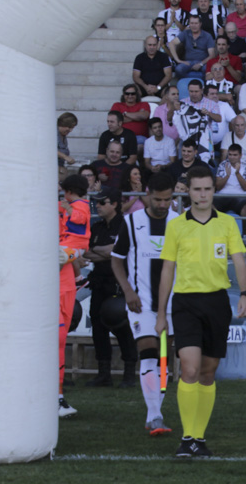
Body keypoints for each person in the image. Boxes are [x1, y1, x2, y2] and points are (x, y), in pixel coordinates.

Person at [155, 165, 246, 458]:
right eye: (197, 189)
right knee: (190, 369)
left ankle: (199, 436)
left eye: (208, 188)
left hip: (217, 303)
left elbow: (239, 262)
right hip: (185, 303)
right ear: (188, 191)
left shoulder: (227, 223)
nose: (203, 194)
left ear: (213, 190)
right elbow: (167, 270)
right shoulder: (176, 225)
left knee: (208, 373)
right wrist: (161, 313)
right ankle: (186, 438)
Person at [111, 172, 180, 435]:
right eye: (158, 199)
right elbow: (117, 259)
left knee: (164, 356)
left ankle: (155, 413)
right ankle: (155, 415)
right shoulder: (131, 222)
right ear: (148, 194)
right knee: (149, 352)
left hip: (173, 303)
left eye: (167, 199)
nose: (162, 204)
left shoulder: (179, 222)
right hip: (141, 302)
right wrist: (127, 290)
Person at [83, 187, 139, 389]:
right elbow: (87, 253)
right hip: (99, 281)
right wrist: (105, 252)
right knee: (98, 327)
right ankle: (103, 374)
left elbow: (116, 252)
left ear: (114, 204)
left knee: (122, 327)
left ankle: (129, 374)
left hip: (119, 283)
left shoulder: (125, 225)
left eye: (101, 203)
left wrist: (105, 251)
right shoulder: (96, 226)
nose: (97, 206)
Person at [57, 174, 92, 418]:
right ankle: (54, 397)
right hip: (58, 280)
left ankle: (55, 396)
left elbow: (79, 242)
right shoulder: (67, 207)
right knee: (54, 342)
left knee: (56, 341)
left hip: (61, 280)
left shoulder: (73, 208)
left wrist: (69, 254)